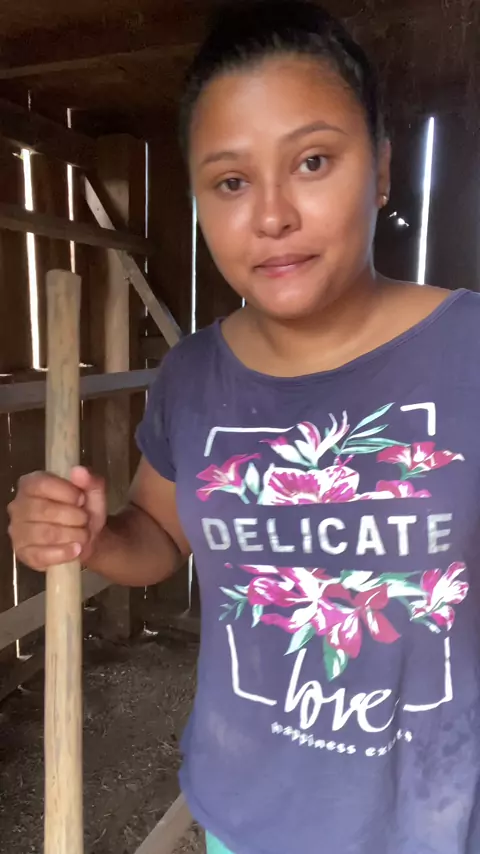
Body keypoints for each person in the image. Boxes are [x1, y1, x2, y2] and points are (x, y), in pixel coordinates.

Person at [7, 1, 480, 852]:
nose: (271, 215)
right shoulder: (194, 377)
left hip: (432, 822)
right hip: (245, 816)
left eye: (312, 161)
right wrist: (89, 536)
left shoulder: (469, 350)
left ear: (380, 168)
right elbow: (160, 536)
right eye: (230, 181)